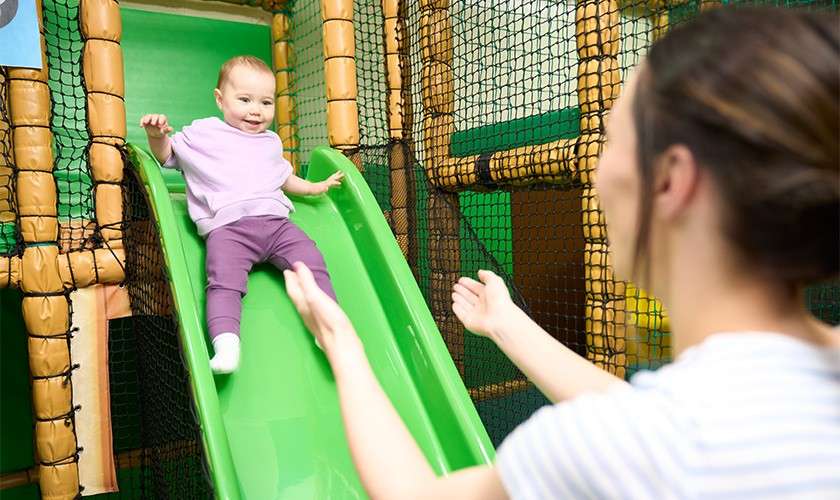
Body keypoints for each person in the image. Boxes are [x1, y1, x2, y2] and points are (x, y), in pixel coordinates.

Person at [283, 7, 840, 499]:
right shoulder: (687, 428)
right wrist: (507, 325)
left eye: (613, 141)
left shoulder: (606, 451)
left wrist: (341, 341)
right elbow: (645, 421)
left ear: (671, 182)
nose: (598, 172)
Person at [141, 56, 343, 374]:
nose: (255, 110)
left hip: (277, 225)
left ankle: (327, 330)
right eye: (244, 99)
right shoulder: (206, 134)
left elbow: (283, 178)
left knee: (311, 262)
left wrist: (315, 187)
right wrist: (157, 136)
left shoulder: (271, 142)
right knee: (224, 283)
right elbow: (168, 156)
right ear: (220, 99)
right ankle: (226, 346)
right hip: (229, 229)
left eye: (265, 102)